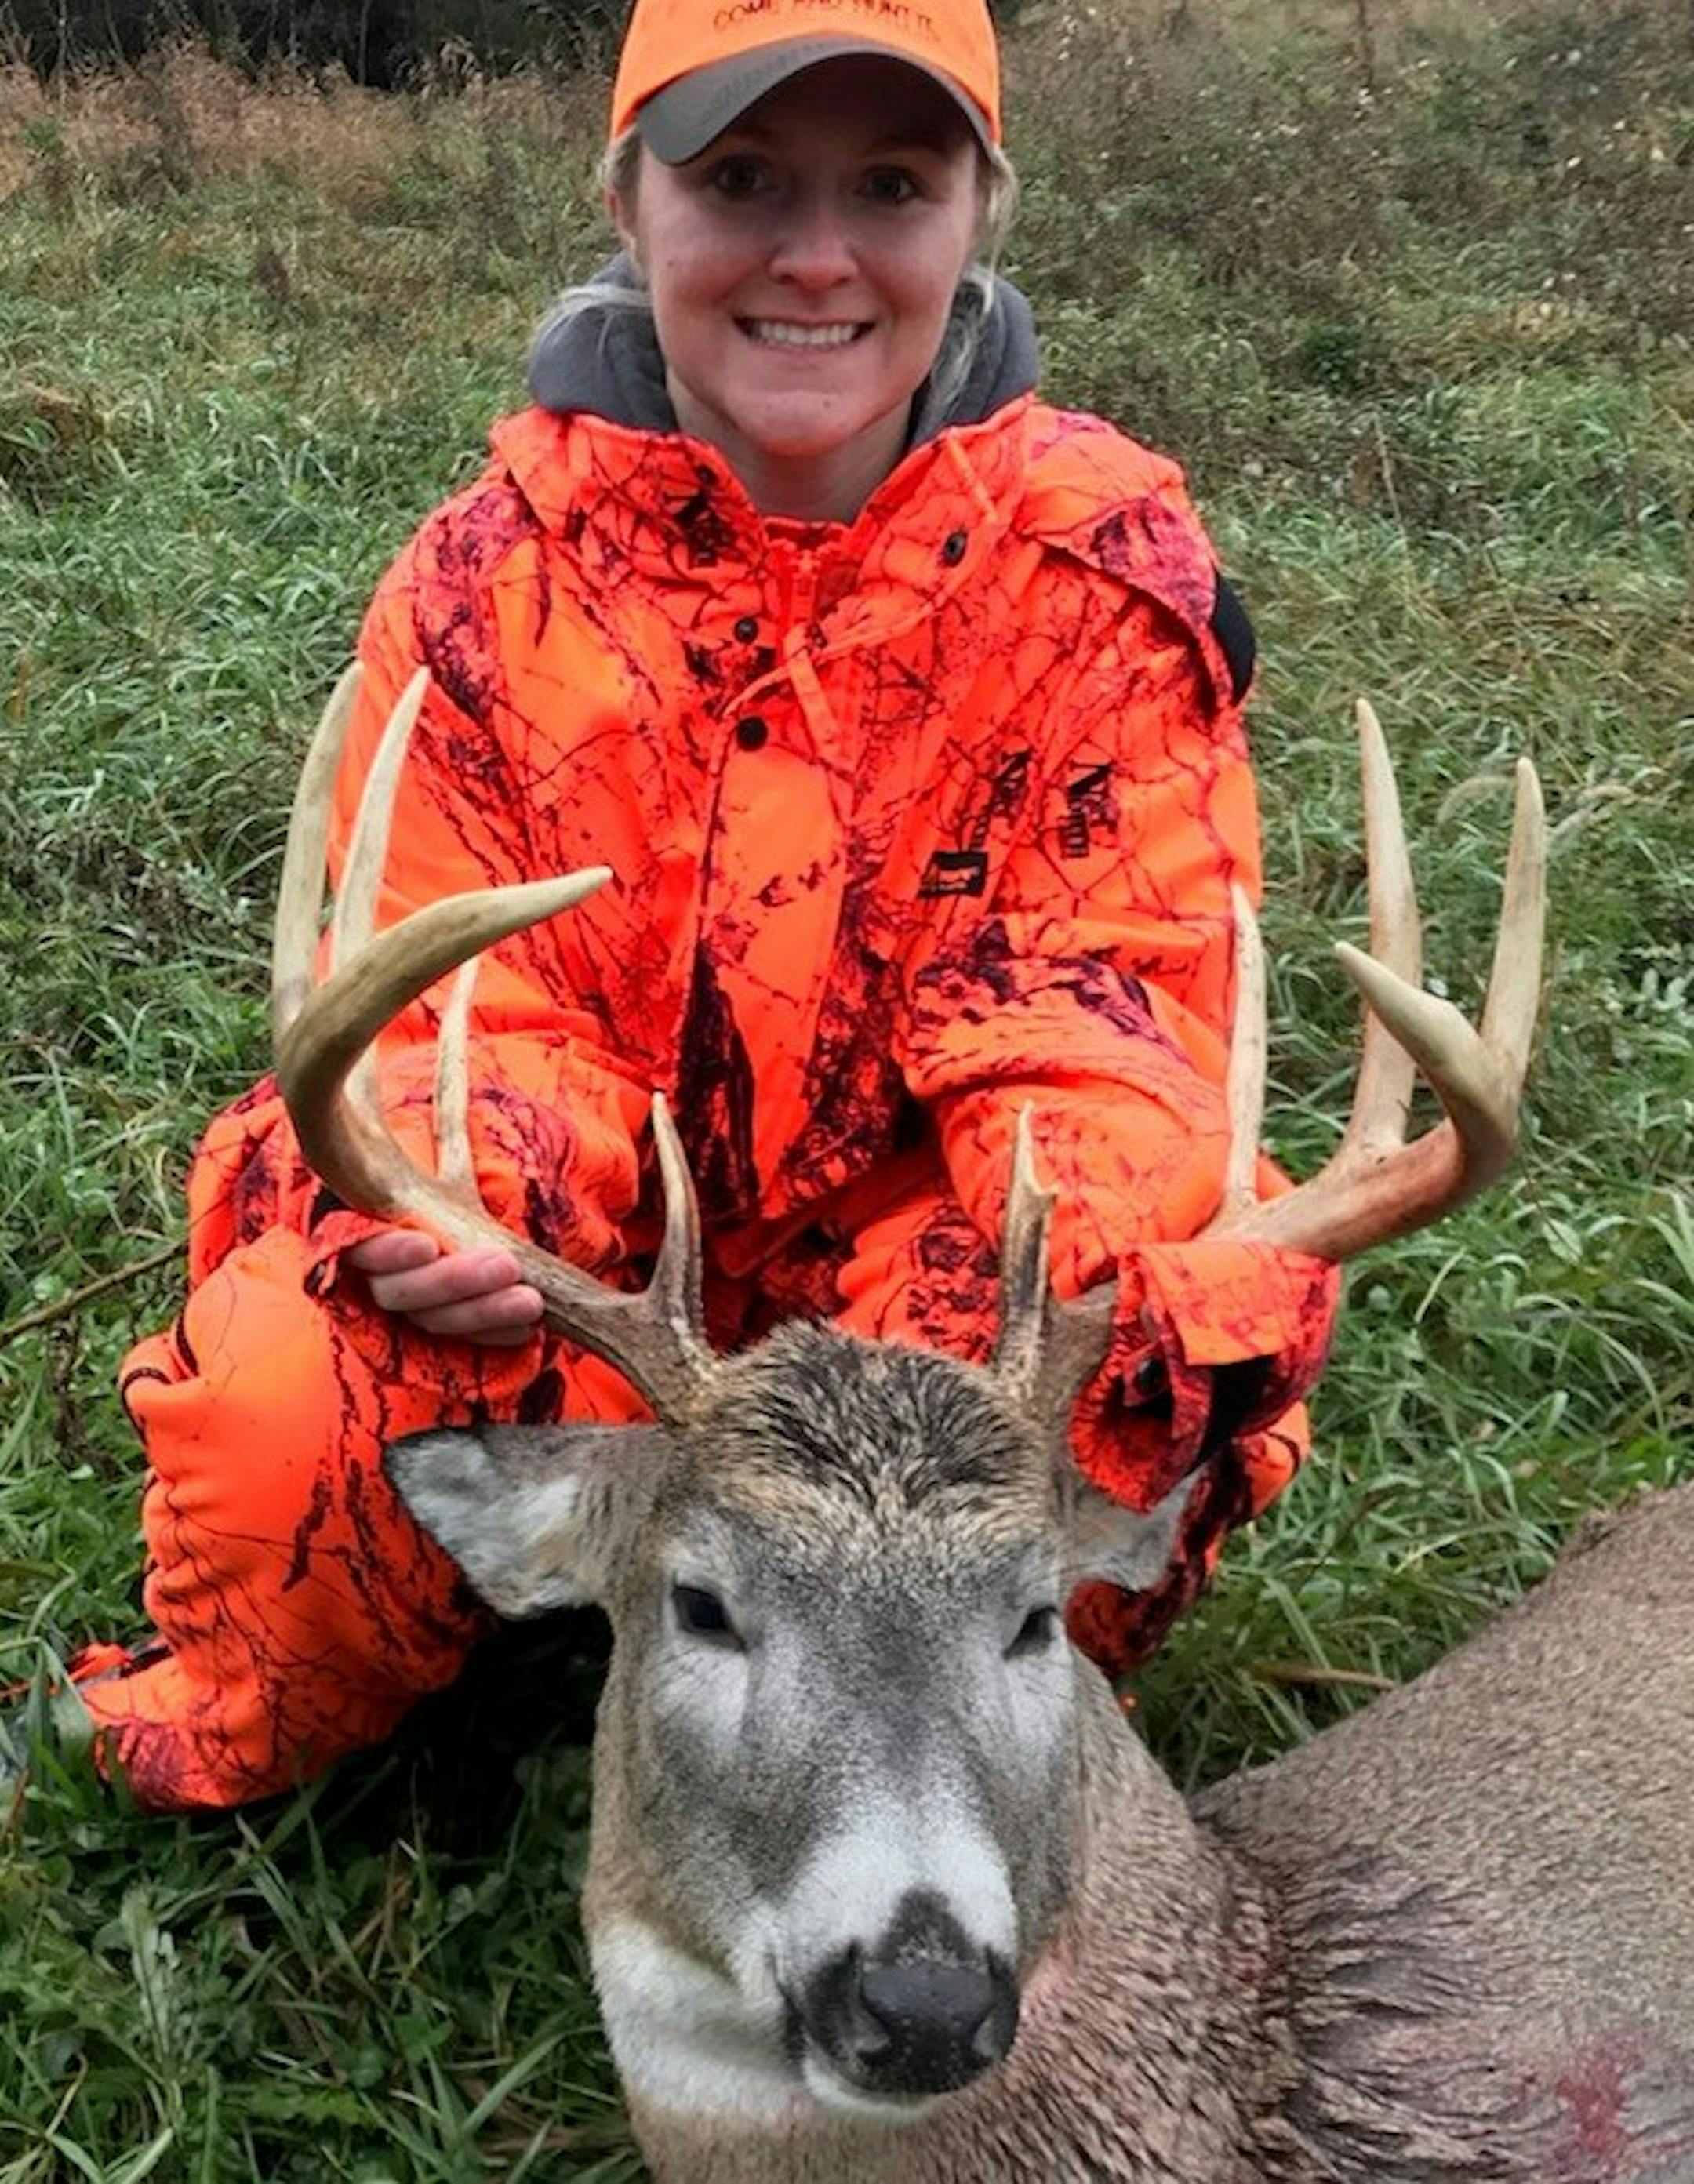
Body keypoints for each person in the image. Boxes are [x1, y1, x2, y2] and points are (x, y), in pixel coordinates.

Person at [52, 0, 1341, 1812]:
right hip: (573, 1307)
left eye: (889, 184)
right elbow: (446, 1008)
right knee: (289, 1398)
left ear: (981, 212)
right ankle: (220, 1732)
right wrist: (475, 1204)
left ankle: (877, 1744)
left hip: (917, 1290)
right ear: (629, 200)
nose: (816, 258)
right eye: (740, 178)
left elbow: (1104, 1022)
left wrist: (1092, 1256)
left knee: (1132, 1372)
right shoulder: (487, 586)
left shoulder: (1098, 587)